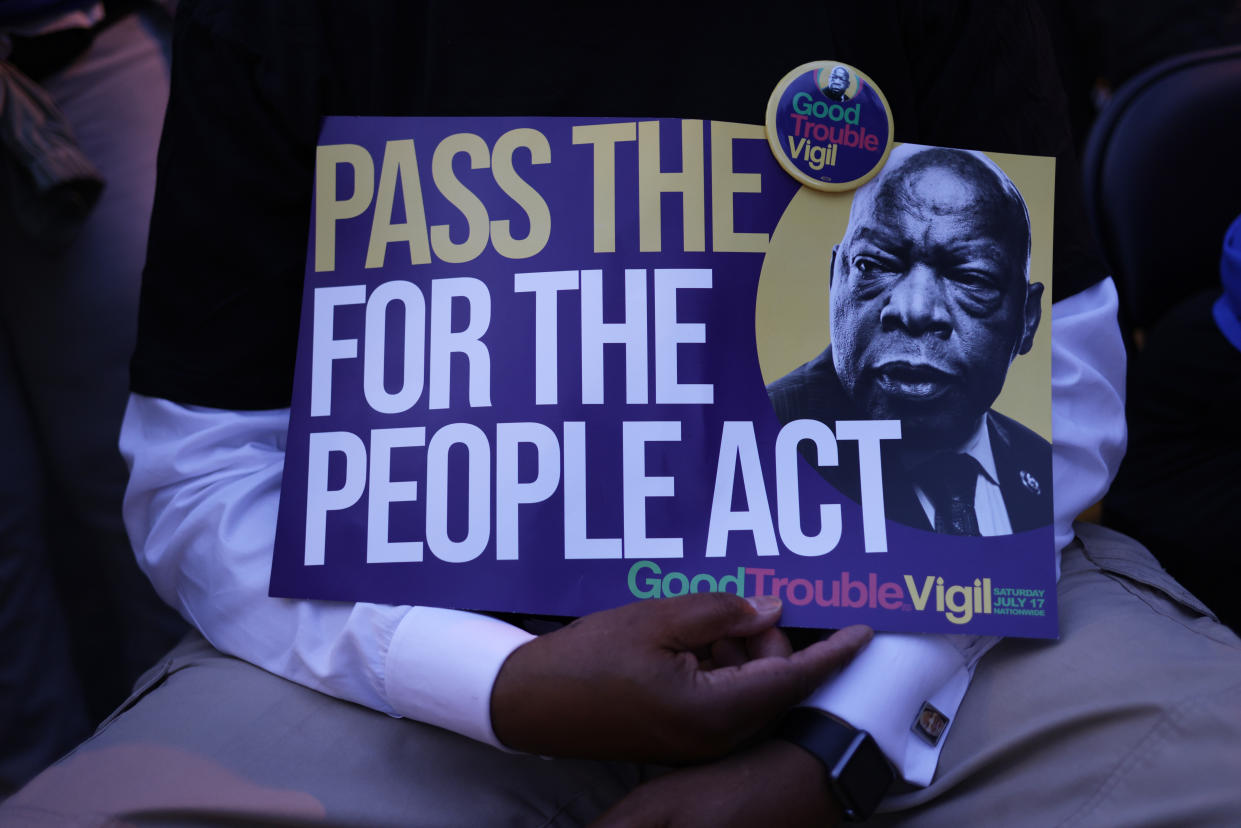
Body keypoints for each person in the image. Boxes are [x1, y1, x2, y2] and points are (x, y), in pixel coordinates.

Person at [4, 3, 1239, 826]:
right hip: (414, 665)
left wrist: (839, 745)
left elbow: (1058, 400)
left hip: (915, 637)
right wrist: (497, 684)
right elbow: (205, 471)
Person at [768, 145, 1051, 536]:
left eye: (971, 278)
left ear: (1027, 318)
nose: (914, 310)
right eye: (874, 265)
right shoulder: (754, 441)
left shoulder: (1041, 468)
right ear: (835, 278)